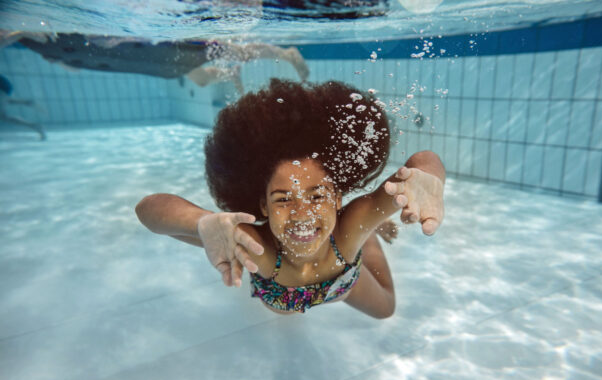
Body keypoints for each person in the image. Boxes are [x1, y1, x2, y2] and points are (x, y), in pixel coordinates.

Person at [136, 79, 445, 319]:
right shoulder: (255, 245)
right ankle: (370, 230)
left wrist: (431, 179)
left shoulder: (349, 226)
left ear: (337, 198)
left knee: (386, 307)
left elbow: (423, 160)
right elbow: (147, 209)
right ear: (262, 206)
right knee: (287, 313)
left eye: (317, 195)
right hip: (285, 299)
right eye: (283, 200)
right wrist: (200, 222)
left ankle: (370, 234)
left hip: (343, 277)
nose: (302, 213)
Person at [8, 31, 309, 95]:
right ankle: (229, 75)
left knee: (230, 50)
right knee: (202, 79)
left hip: (162, 50)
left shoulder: (27, 31)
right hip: (159, 63)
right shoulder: (33, 37)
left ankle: (286, 53)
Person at [0, 74, 46, 140]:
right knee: (3, 113)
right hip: (4, 89)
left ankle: (35, 126)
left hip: (2, 89)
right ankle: (26, 102)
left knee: (3, 116)